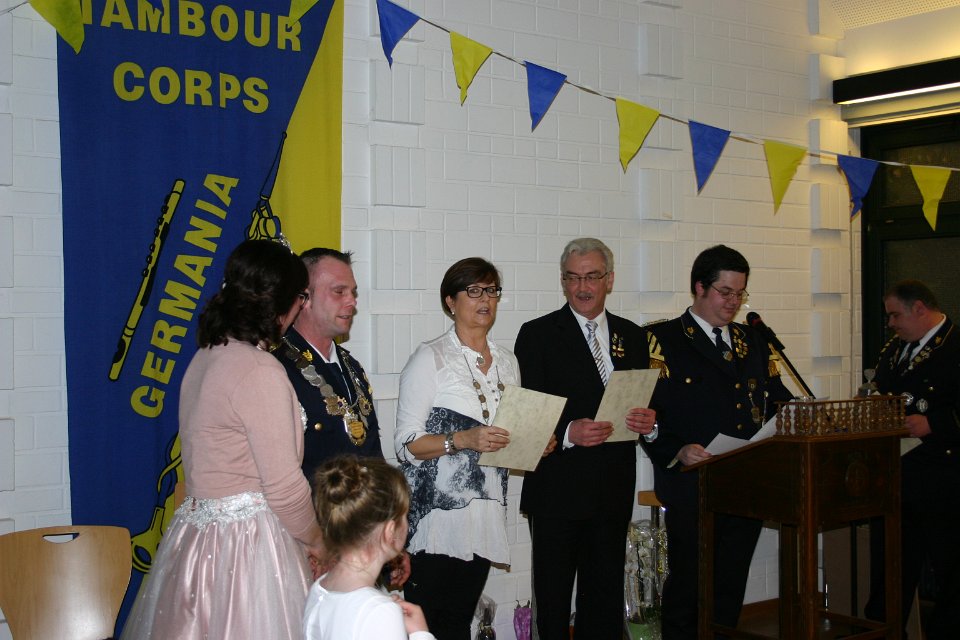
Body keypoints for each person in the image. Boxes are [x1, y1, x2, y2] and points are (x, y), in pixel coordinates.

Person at [121, 239, 323, 639]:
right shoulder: (258, 370)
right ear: (281, 303)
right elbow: (284, 488)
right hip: (248, 548)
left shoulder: (207, 356)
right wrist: (319, 540)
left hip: (200, 541)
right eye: (301, 297)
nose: (301, 307)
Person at [395, 257, 555, 640]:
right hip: (436, 520)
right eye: (474, 290)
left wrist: (535, 443)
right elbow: (405, 445)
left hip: (484, 515)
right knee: (427, 626)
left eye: (492, 290)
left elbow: (507, 440)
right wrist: (462, 440)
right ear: (450, 301)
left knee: (459, 623)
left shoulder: (508, 362)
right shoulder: (430, 357)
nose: (485, 299)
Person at [641, 244, 793, 639]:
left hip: (745, 482)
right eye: (725, 292)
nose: (733, 302)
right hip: (693, 482)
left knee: (730, 583)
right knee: (689, 584)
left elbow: (779, 401)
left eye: (740, 293)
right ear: (699, 287)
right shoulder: (662, 340)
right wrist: (676, 449)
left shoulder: (752, 340)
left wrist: (802, 416)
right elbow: (644, 416)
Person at [514, 238, 657, 639]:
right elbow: (526, 416)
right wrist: (567, 431)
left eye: (592, 276)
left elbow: (645, 403)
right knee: (554, 600)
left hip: (612, 490)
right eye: (573, 278)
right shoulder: (537, 334)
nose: (582, 287)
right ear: (563, 281)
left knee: (604, 599)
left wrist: (650, 423)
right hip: (556, 491)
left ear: (609, 279)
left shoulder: (633, 336)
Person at [864, 280, 960, 639]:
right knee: (892, 564)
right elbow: (883, 389)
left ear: (919, 308)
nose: (890, 323)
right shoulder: (895, 348)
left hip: (944, 476)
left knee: (950, 567)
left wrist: (933, 423)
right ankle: (884, 630)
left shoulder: (954, 345)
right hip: (898, 473)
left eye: (895, 315)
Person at [274, 248, 383, 482]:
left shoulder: (352, 367)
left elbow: (373, 452)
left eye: (353, 292)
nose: (352, 301)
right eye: (339, 292)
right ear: (304, 299)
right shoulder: (278, 368)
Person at [304, 456, 435, 640]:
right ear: (390, 531)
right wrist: (421, 633)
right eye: (406, 516)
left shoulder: (321, 587)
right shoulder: (380, 612)